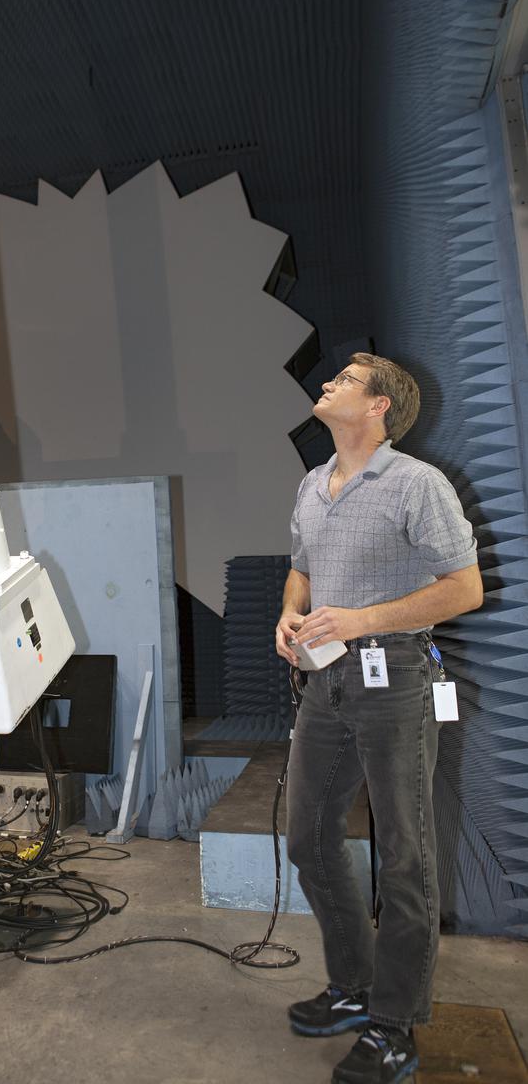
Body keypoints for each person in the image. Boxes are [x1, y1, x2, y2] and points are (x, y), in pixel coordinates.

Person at [276, 354, 482, 1084]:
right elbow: (302, 562)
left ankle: (394, 1026)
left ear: (377, 408)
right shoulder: (312, 483)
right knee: (306, 838)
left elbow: (463, 588)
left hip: (393, 676)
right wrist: (290, 611)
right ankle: (354, 988)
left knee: (405, 857)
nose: (327, 384)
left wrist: (362, 618)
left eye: (344, 381)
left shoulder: (416, 485)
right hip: (325, 680)